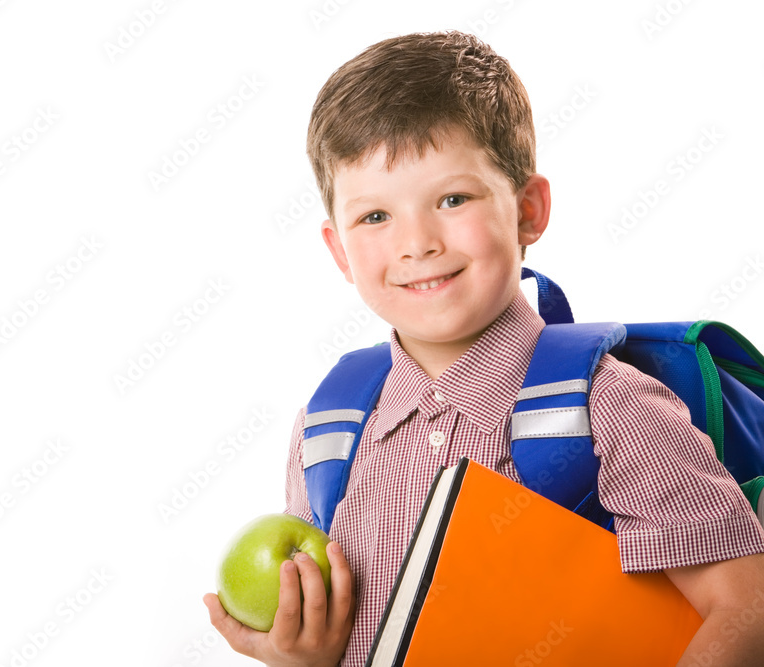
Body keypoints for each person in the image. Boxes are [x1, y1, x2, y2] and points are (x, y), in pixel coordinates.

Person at [203, 31, 764, 666]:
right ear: (339, 250)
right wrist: (307, 656)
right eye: (375, 217)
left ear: (528, 210)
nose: (417, 243)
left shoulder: (608, 406)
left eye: (452, 199)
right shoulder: (326, 430)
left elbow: (745, 609)